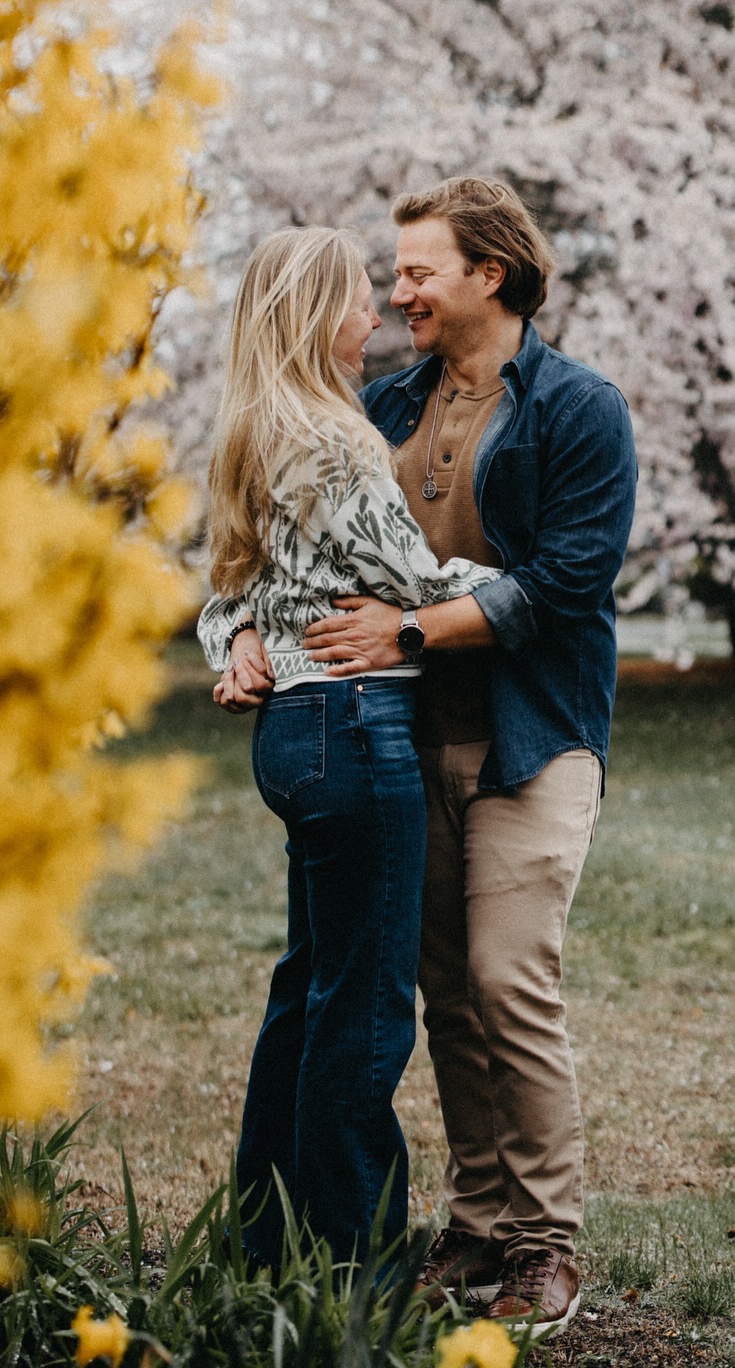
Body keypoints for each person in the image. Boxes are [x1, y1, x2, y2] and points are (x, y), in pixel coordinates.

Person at [301, 178, 638, 1340]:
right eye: (395, 277)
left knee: (508, 979)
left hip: (533, 740)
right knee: (446, 994)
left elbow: (564, 586)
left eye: (417, 273)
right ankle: (479, 1224)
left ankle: (548, 1243)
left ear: (489, 274)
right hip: (401, 740)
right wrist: (250, 633)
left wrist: (408, 631)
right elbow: (315, 545)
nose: (397, 295)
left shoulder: (581, 410)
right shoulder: (384, 406)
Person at [196, 225, 501, 1269]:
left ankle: (267, 1242)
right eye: (360, 297)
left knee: (309, 993)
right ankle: (355, 1266)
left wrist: (234, 639)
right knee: (367, 1012)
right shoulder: (332, 443)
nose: (376, 314)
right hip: (352, 734)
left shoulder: (255, 431)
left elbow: (229, 590)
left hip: (297, 734)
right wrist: (531, 593)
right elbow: (418, 581)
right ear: (313, 314)